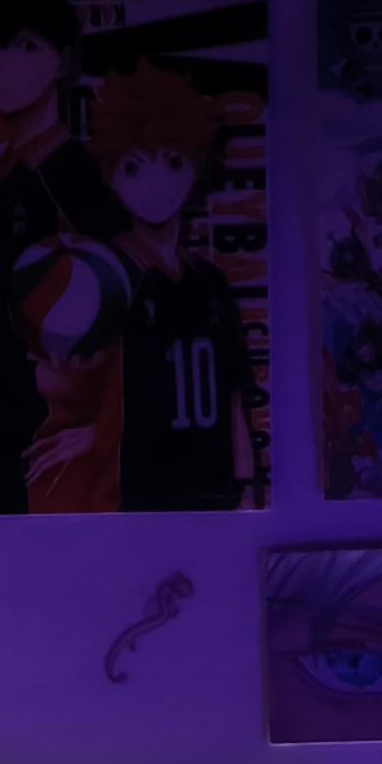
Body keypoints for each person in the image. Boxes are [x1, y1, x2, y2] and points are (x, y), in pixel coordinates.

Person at [0, 0, 128, 515]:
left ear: (62, 61)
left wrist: (104, 428)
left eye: (25, 46)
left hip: (42, 446)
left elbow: (132, 313)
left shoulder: (79, 178)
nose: (4, 66)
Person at [89, 60, 262, 510]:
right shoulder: (103, 277)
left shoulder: (210, 282)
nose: (155, 184)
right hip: (137, 499)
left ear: (197, 166)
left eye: (172, 162)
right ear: (110, 174)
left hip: (215, 494)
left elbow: (235, 398)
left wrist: (246, 488)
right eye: (133, 166)